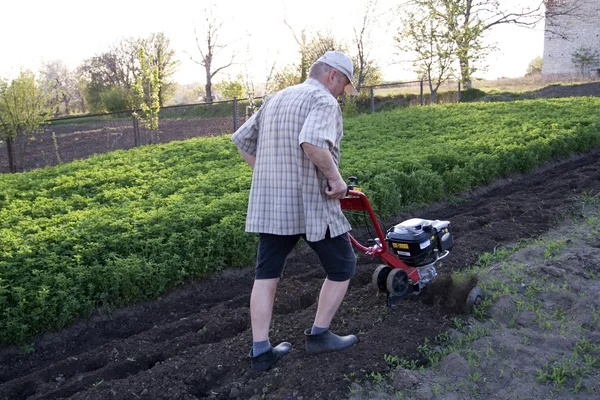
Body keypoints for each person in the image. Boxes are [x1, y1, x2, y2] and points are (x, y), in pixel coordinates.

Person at [231, 51, 360, 372]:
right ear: (332, 75)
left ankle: (261, 350)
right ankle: (319, 336)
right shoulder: (323, 101)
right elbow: (312, 143)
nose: (342, 93)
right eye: (343, 85)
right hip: (310, 202)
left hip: (273, 204)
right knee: (343, 264)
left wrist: (268, 175)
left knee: (266, 273)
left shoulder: (277, 97)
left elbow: (243, 140)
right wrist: (337, 180)